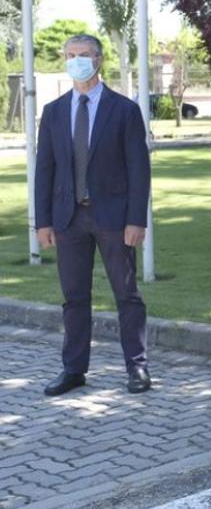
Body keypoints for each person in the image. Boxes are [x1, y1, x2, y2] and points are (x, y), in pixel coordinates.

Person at [35, 34, 152, 396]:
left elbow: (138, 169)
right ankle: (73, 370)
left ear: (99, 60)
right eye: (70, 55)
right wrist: (43, 221)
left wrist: (136, 220)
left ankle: (137, 368)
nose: (76, 61)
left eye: (83, 55)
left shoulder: (124, 110)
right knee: (74, 298)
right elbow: (45, 170)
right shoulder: (53, 112)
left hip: (114, 218)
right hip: (68, 218)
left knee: (127, 295)